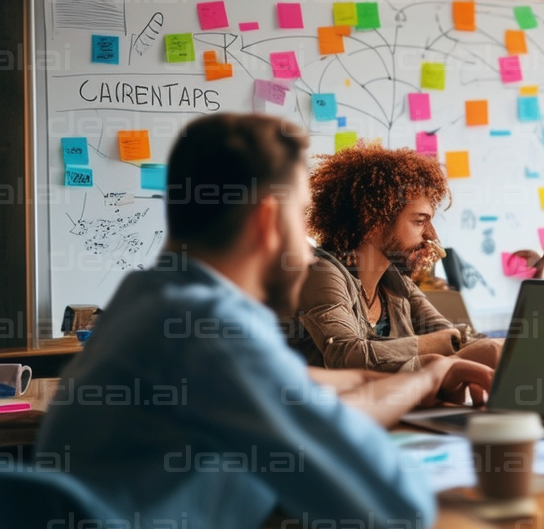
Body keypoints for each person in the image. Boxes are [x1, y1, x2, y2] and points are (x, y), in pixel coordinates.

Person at [29, 114, 492, 528]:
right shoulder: (210, 327)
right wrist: (428, 375)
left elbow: (292, 385)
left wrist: (422, 378)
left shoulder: (151, 301)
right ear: (269, 219)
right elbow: (393, 507)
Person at [292, 144, 500, 371]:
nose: (431, 236)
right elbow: (346, 355)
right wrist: (437, 345)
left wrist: (504, 346)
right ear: (374, 221)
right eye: (419, 221)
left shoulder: (395, 282)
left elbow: (449, 334)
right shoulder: (320, 273)